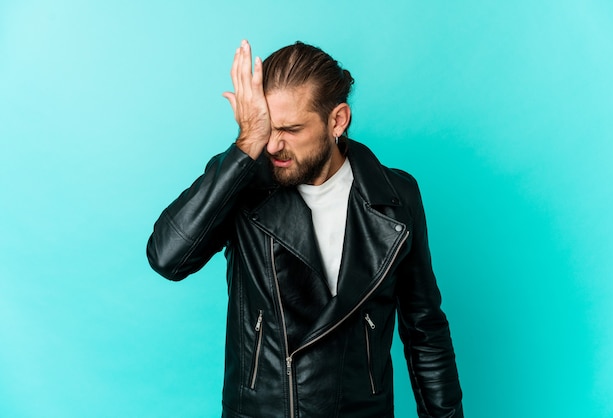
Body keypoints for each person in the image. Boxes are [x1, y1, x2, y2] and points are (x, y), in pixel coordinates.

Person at [147, 39, 463, 418]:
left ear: (337, 120)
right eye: (267, 127)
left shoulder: (397, 196)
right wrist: (246, 144)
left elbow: (425, 331)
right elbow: (167, 258)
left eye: (291, 129)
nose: (274, 144)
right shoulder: (242, 181)